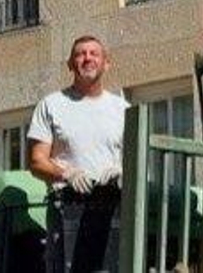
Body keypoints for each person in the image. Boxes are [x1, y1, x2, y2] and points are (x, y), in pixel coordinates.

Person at [28, 34, 132, 272]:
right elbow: (36, 161)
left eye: (94, 53)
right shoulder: (51, 105)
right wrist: (66, 174)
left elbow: (137, 161)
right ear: (70, 64)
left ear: (106, 63)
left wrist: (122, 171)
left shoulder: (122, 109)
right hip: (67, 209)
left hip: (112, 209)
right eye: (80, 54)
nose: (87, 58)